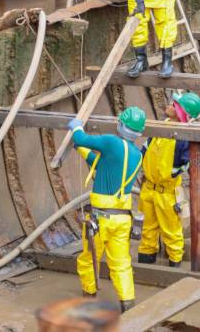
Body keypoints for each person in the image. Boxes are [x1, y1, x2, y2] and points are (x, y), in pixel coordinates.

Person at [68, 106, 145, 313]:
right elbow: (102, 164)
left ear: (121, 125)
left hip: (100, 219)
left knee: (88, 259)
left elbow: (83, 138)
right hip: (122, 220)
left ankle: (89, 299)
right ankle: (128, 305)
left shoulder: (111, 142)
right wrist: (83, 152)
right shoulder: (137, 155)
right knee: (121, 263)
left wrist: (75, 129)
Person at [137, 91, 200, 267]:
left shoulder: (183, 138)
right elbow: (145, 149)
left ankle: (174, 267)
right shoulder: (161, 126)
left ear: (181, 112)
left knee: (171, 232)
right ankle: (145, 264)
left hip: (167, 193)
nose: (169, 104)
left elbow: (192, 165)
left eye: (174, 105)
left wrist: (174, 173)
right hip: (149, 188)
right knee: (148, 230)